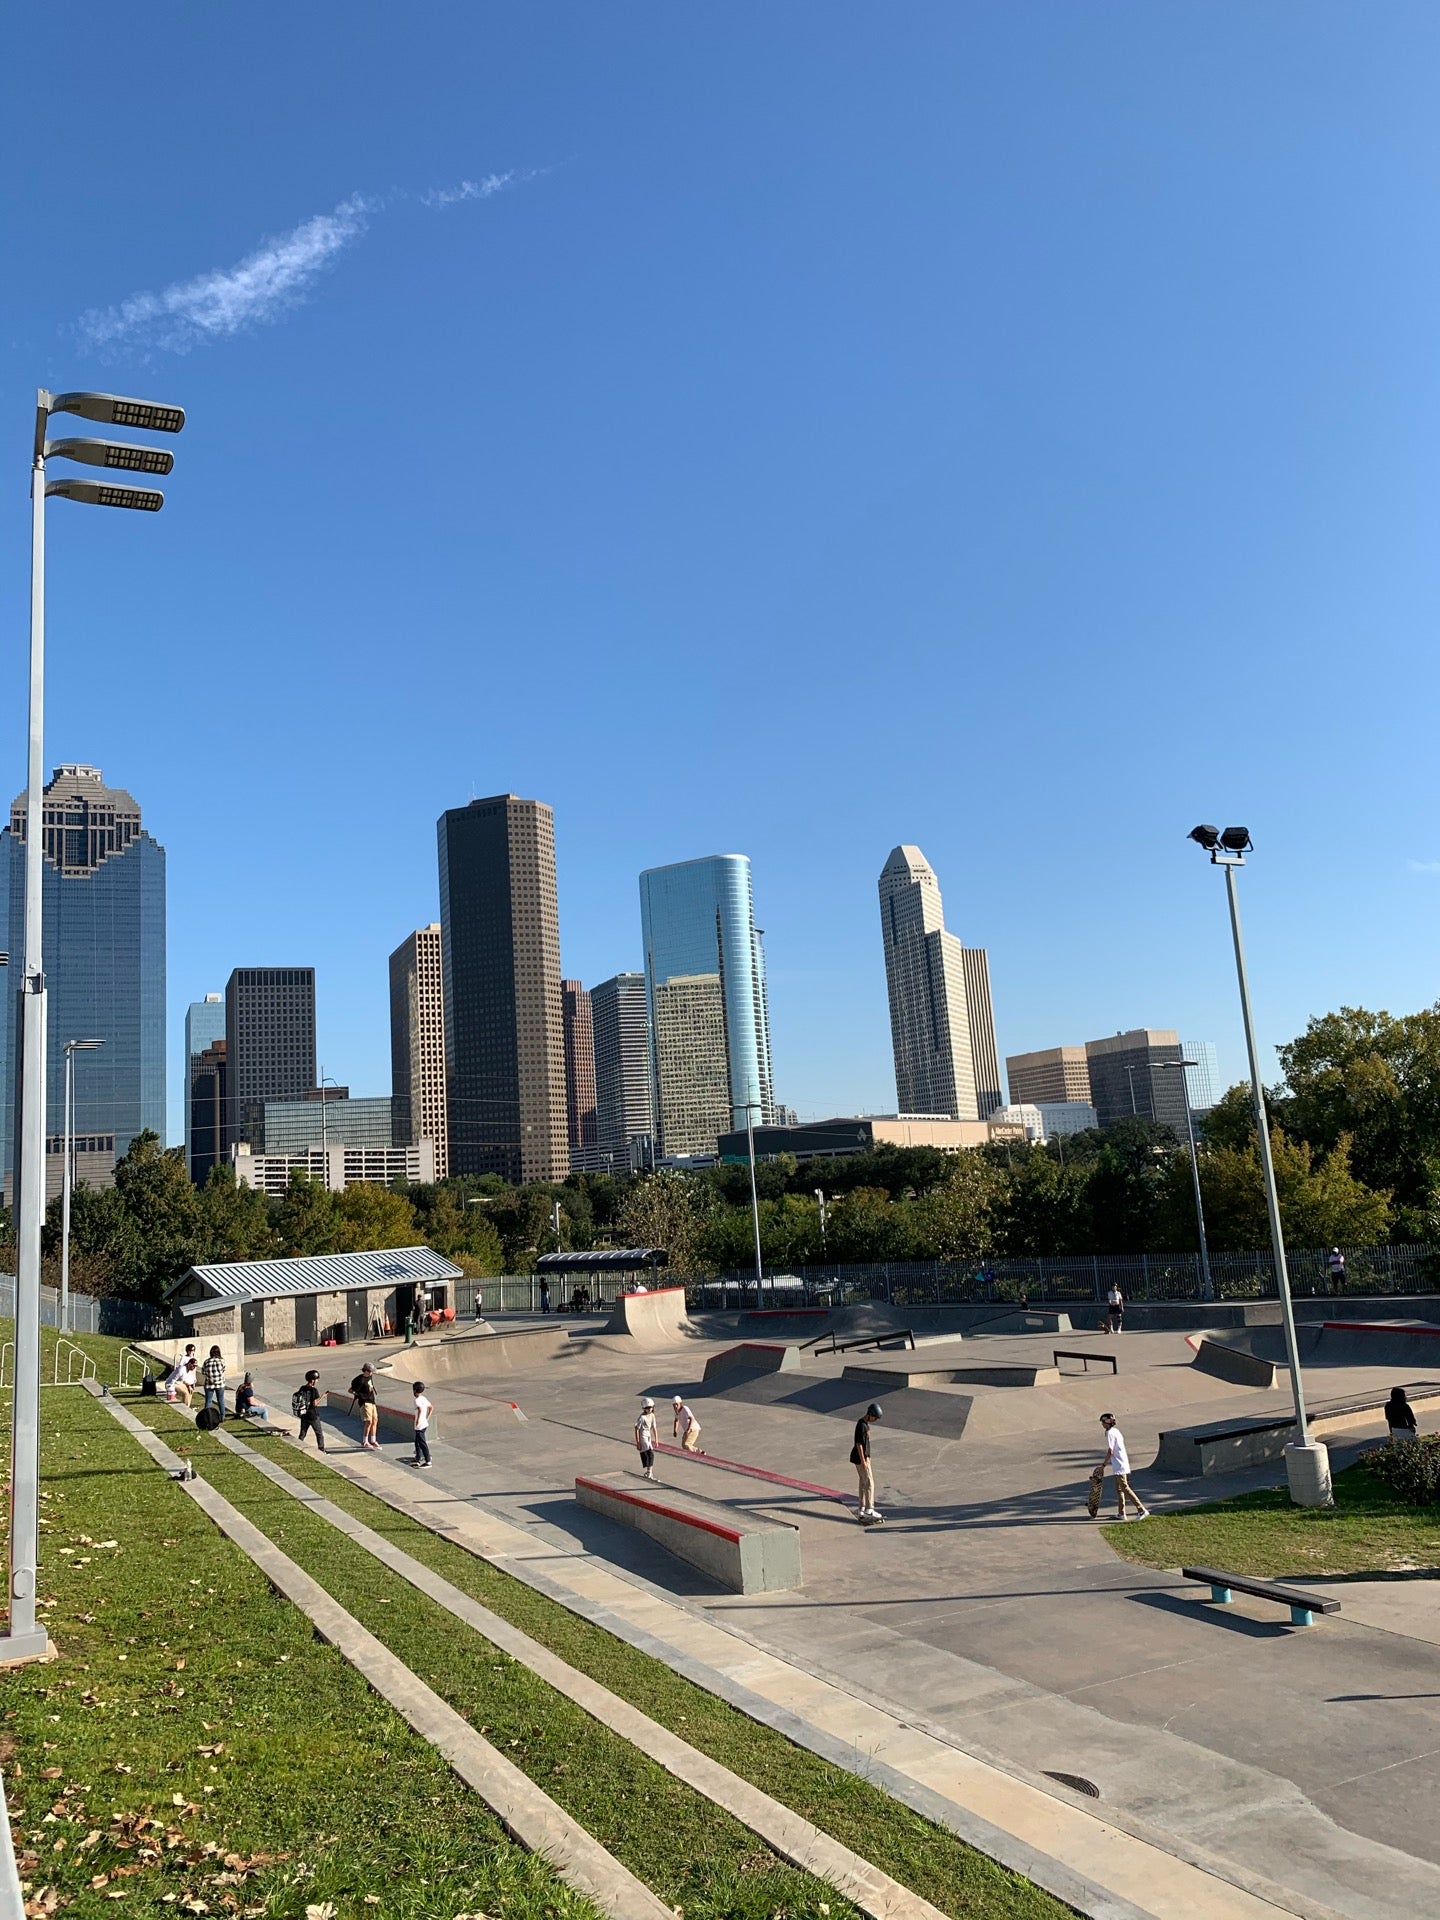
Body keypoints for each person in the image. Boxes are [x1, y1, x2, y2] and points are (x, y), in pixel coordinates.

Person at [1089, 1413, 1148, 1520]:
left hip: (1120, 1465)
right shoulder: (1116, 1431)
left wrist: (1103, 1465)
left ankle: (1141, 1510)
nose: (1102, 1424)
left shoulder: (1110, 1433)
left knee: (1125, 1488)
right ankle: (1121, 1513)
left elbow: (1110, 1451)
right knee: (1119, 1489)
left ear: (1107, 1423)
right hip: (1120, 1463)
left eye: (1102, 1422)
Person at [851, 1402, 883, 1522]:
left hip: (862, 1458)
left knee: (862, 1482)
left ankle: (861, 1507)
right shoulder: (862, 1426)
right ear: (870, 1414)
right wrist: (864, 1461)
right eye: (875, 1417)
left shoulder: (863, 1424)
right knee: (869, 1482)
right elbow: (859, 1444)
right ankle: (870, 1509)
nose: (875, 1420)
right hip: (861, 1459)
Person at [293, 1370, 326, 1451]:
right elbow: (315, 1403)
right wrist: (322, 1396)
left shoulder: (302, 1388)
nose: (317, 1381)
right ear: (313, 1380)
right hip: (313, 1415)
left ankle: (298, 1445)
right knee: (319, 1434)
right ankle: (321, 1449)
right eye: (317, 1379)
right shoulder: (314, 1390)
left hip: (304, 1414)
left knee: (303, 1433)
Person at [351, 1363, 380, 1451]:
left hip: (372, 1401)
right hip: (365, 1402)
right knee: (369, 1421)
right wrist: (359, 1395)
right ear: (366, 1371)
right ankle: (365, 1441)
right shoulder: (360, 1380)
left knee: (375, 1420)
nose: (372, 1373)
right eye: (371, 1371)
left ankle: (373, 1440)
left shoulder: (369, 1377)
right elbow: (351, 1390)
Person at [410, 1380, 433, 1468]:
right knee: (417, 1442)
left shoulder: (417, 1400)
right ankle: (418, 1457)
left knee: (422, 1443)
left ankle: (428, 1460)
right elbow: (431, 1407)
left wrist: (418, 1421)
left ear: (415, 1390)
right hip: (424, 1424)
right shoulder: (424, 1398)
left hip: (419, 1425)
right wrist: (427, 1417)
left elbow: (419, 1409)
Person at [635, 1396, 658, 1480]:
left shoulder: (652, 1416)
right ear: (644, 1408)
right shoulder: (642, 1417)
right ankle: (649, 1473)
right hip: (643, 1436)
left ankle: (649, 1472)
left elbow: (654, 1428)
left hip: (648, 1436)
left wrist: (656, 1440)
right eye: (647, 1408)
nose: (649, 1409)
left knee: (650, 1454)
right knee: (649, 1453)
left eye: (651, 1408)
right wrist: (638, 1442)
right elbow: (636, 1429)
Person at [201, 1345, 227, 1420]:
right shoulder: (221, 1360)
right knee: (220, 1400)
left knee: (208, 1401)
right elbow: (223, 1369)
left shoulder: (206, 1361)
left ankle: (207, 1418)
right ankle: (222, 1416)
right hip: (220, 1384)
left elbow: (203, 1372)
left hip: (209, 1384)